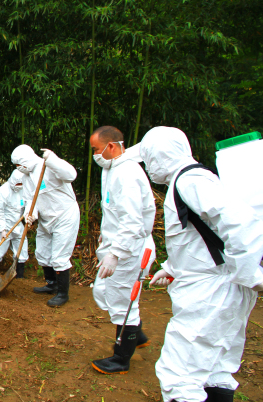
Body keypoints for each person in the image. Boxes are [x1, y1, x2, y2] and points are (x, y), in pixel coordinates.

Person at [140, 127, 263, 402]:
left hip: (213, 291)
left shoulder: (190, 180)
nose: (147, 167)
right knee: (215, 368)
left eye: (148, 159)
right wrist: (172, 267)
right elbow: (199, 236)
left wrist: (249, 274)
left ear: (160, 155)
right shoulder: (185, 180)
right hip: (219, 285)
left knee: (179, 376)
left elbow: (241, 224)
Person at [88, 126, 156, 374]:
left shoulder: (126, 174)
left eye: (96, 149)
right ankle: (137, 336)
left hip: (130, 248)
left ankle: (121, 357)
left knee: (123, 302)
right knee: (107, 292)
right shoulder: (113, 168)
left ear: (111, 146)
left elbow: (132, 221)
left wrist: (116, 253)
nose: (94, 155)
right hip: (120, 243)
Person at [11, 144, 79, 306]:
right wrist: (30, 215)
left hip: (64, 216)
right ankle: (52, 284)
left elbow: (71, 175)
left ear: (25, 160)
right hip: (46, 218)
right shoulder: (26, 177)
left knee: (59, 256)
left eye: (19, 164)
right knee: (42, 252)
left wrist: (53, 160)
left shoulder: (48, 166)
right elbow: (30, 200)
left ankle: (62, 293)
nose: (18, 168)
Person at [0, 169, 28, 266]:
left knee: (22, 251)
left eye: (21, 184)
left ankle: (19, 273)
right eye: (18, 184)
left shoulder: (23, 190)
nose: (19, 186)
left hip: (17, 225)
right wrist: (2, 230)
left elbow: (28, 203)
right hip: (5, 225)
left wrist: (29, 214)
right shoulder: (2, 192)